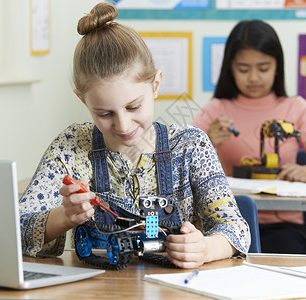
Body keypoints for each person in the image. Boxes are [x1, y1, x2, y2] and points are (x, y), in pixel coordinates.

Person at [19, 2, 249, 269]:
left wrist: (206, 248)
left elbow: (236, 229)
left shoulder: (191, 145)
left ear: (156, 85)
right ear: (83, 101)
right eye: (105, 114)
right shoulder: (70, 148)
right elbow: (16, 231)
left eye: (133, 106)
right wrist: (64, 216)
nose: (123, 125)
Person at [192, 20, 306, 254]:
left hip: (281, 227)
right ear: (230, 68)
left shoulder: (296, 108)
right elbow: (178, 162)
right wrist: (206, 142)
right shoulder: (216, 108)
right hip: (225, 225)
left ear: (277, 67)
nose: (253, 77)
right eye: (243, 69)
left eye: (263, 68)